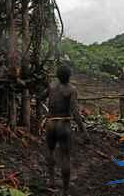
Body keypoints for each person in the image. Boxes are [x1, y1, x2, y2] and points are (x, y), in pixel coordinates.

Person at [44, 64, 89, 196]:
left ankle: (51, 180)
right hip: (64, 124)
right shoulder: (71, 89)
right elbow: (75, 112)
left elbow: (41, 96)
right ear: (69, 76)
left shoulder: (51, 86)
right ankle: (65, 191)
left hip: (51, 123)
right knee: (65, 157)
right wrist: (83, 130)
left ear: (57, 75)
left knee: (50, 151)